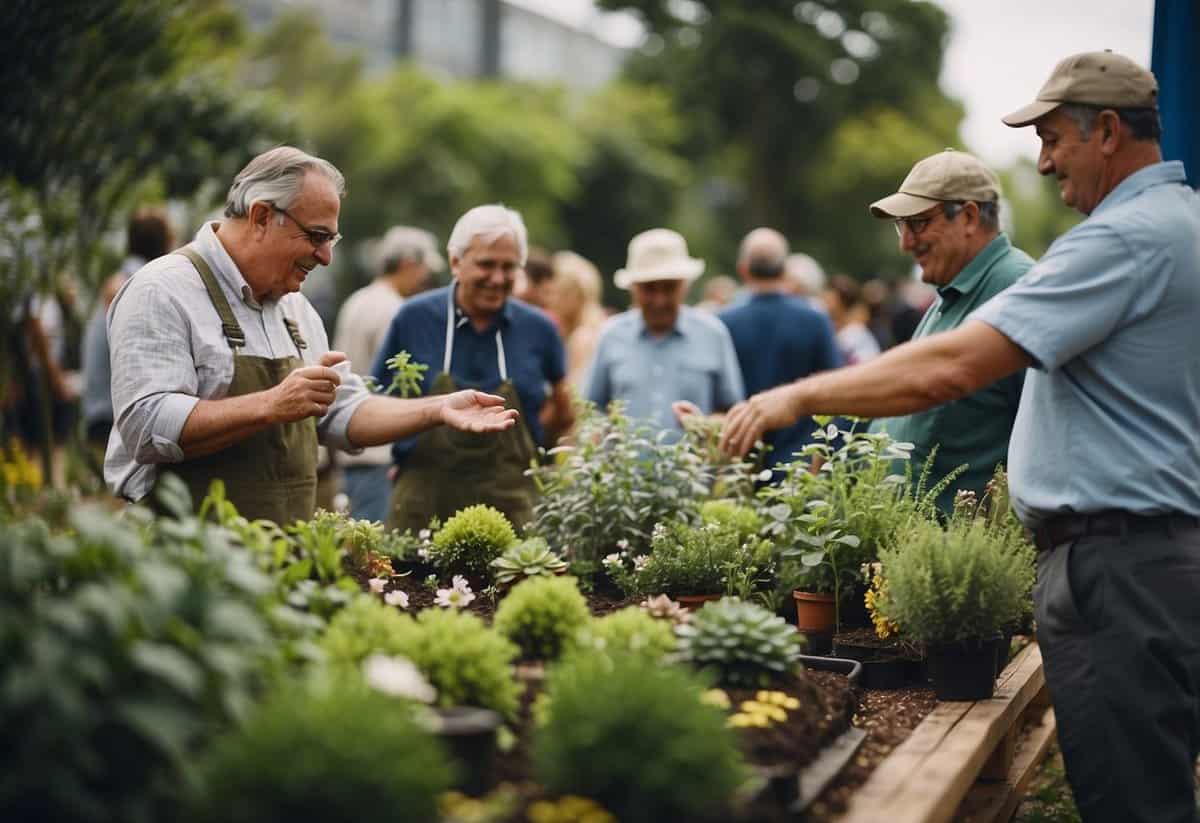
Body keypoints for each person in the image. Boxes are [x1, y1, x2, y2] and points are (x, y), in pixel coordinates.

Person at [721, 51, 1199, 823]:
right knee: (1142, 791)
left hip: (1120, 566)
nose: (1042, 163)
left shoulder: (1123, 239)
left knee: (1132, 803)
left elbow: (949, 371)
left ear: (1107, 131)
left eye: (1053, 139)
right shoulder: (1175, 223)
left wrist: (797, 397)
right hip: (1136, 559)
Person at [105, 147, 517, 524]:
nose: (325, 256)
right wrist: (271, 404)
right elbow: (146, 424)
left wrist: (439, 408)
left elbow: (341, 411)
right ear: (262, 216)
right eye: (317, 236)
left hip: (283, 564)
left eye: (331, 240)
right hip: (186, 563)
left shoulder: (294, 307)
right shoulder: (162, 290)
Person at [372, 204, 572, 533]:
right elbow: (377, 400)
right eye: (486, 264)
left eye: (509, 267)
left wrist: (534, 440)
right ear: (455, 262)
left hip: (511, 504)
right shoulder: (414, 318)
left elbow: (563, 407)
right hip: (423, 503)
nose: (497, 278)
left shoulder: (539, 329)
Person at [865, 149, 1033, 514]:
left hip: (970, 561)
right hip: (915, 555)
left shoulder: (1017, 288)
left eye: (918, 223)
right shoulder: (953, 291)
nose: (905, 243)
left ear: (969, 216)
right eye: (901, 225)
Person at [584, 228, 744, 432]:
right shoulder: (611, 335)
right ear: (633, 288)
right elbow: (592, 411)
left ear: (685, 286)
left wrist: (706, 425)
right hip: (624, 465)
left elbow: (732, 413)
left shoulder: (713, 334)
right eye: (649, 289)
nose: (659, 301)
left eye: (669, 288)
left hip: (695, 463)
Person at [333, 225, 442, 522]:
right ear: (408, 263)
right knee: (374, 545)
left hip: (348, 440)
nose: (425, 280)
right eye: (423, 270)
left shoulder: (358, 300)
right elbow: (400, 378)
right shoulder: (394, 310)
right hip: (380, 447)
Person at [717, 228, 840, 472]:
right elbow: (834, 389)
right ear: (785, 270)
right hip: (800, 462)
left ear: (743, 269)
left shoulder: (723, 323)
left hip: (741, 461)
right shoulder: (814, 320)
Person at [82, 207, 174, 451]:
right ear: (164, 243)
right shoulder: (135, 283)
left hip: (105, 410)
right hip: (110, 415)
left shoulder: (126, 278)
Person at [549, 249, 608, 391]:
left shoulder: (583, 338)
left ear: (572, 295)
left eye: (553, 292)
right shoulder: (599, 326)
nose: (550, 300)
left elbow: (574, 399)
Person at [822, 274, 881, 364]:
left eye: (829, 300)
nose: (823, 302)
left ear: (842, 302)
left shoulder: (856, 334)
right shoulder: (828, 328)